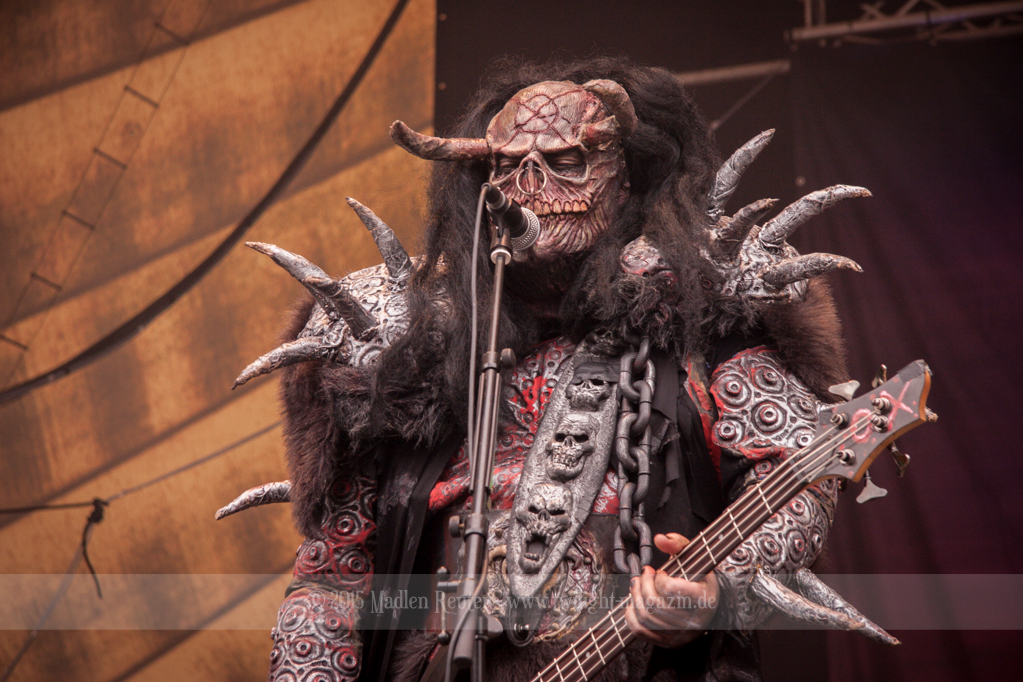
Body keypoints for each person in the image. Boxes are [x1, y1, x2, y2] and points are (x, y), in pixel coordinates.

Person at [219, 57, 896, 682]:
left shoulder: (708, 314)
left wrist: (718, 593)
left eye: (567, 161)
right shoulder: (406, 346)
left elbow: (795, 473)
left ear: (626, 178)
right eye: (508, 166)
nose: (531, 187)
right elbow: (334, 571)